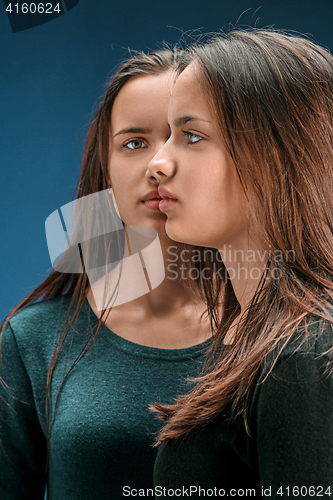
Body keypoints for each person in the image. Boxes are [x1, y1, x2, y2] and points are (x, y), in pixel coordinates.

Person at [0, 48, 213, 499]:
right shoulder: (34, 341)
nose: (159, 165)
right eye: (134, 143)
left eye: (190, 137)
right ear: (105, 169)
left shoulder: (281, 334)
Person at [147, 29, 333, 497]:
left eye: (191, 136)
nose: (158, 162)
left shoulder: (302, 360)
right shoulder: (266, 340)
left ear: (276, 154)